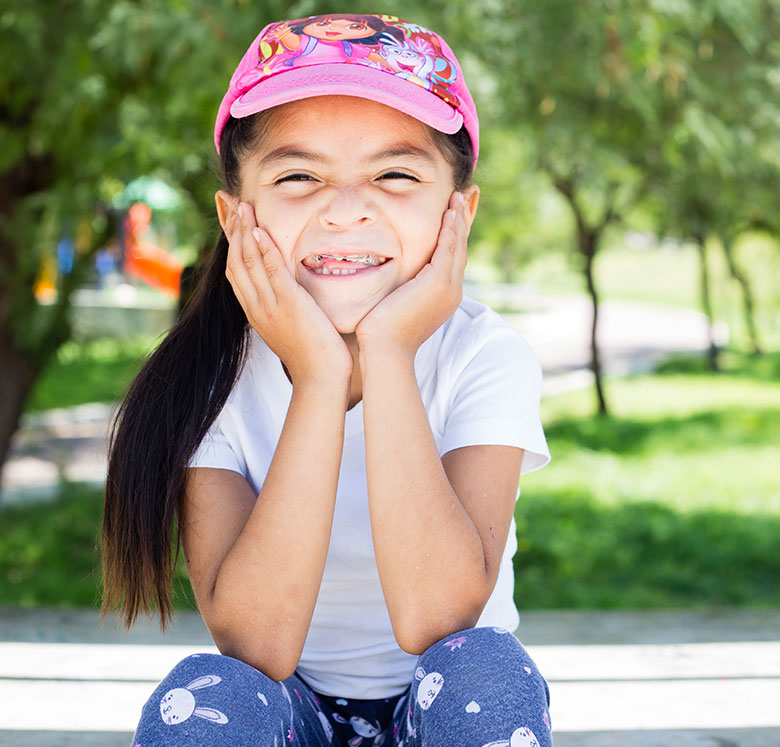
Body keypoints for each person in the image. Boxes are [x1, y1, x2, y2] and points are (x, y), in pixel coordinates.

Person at [101, 12, 552, 747]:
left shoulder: (484, 356)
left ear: (458, 213)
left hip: (441, 711)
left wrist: (388, 352)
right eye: (299, 175)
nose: (346, 211)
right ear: (234, 215)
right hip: (292, 711)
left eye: (395, 174)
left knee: (487, 672)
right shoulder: (210, 375)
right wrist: (317, 377)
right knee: (202, 696)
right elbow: (257, 645)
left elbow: (440, 620)